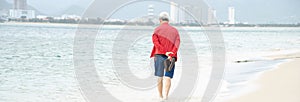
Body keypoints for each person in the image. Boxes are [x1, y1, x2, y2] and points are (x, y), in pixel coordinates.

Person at [150, 12, 180, 100]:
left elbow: (156, 43)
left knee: (160, 77)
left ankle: (160, 96)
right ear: (168, 20)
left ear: (160, 20)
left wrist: (164, 51)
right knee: (168, 77)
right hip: (171, 56)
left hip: (159, 55)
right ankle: (166, 97)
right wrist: (172, 53)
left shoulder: (157, 30)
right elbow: (177, 43)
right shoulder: (175, 30)